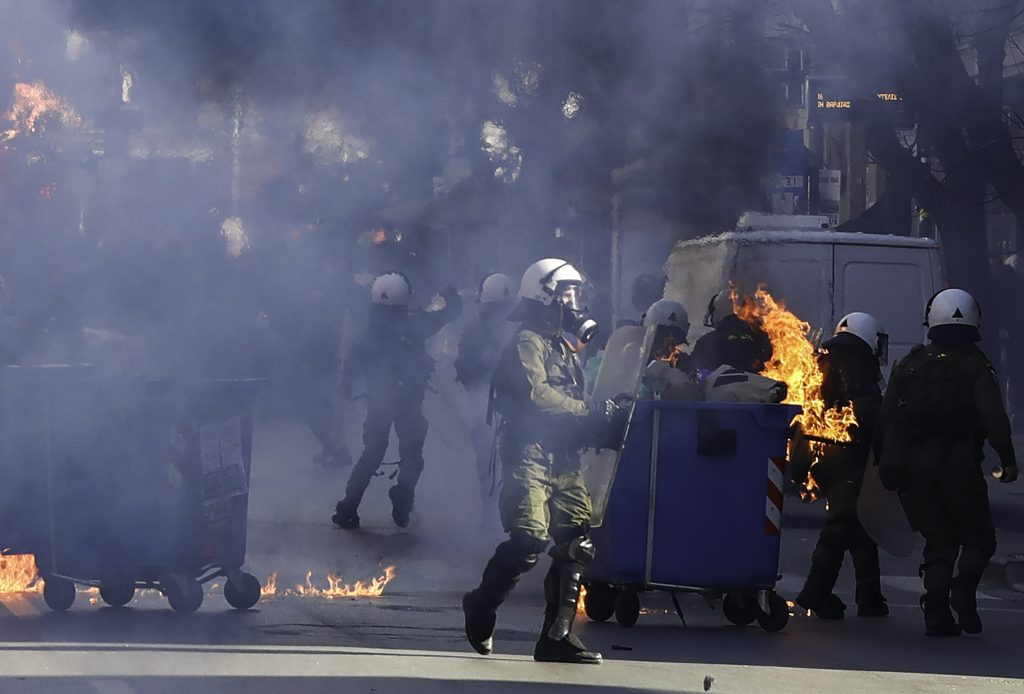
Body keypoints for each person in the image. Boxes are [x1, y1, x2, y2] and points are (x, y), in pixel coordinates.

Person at [462, 258, 623, 665]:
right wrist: (585, 410)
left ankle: (556, 638)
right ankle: (480, 605)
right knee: (529, 540)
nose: (575, 302)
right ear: (546, 296)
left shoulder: (563, 346)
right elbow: (536, 397)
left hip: (563, 456)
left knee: (576, 541)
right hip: (528, 455)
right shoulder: (527, 341)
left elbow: (573, 404)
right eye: (568, 294)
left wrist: (601, 420)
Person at [877, 288, 1019, 637]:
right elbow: (994, 417)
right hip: (959, 467)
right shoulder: (975, 364)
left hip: (915, 473)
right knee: (979, 537)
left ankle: (937, 612)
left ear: (931, 319)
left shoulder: (908, 364)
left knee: (939, 540)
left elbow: (885, 419)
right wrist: (1008, 460)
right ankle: (963, 590)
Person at [331, 272, 462, 529]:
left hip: (379, 404)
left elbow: (349, 373)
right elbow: (451, 312)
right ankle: (403, 496)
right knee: (412, 455)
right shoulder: (415, 325)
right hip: (409, 403)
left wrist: (347, 391)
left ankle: (349, 506)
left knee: (370, 456)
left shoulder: (366, 335)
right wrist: (450, 293)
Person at [792, 312, 889, 619]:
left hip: (819, 453)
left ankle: (870, 598)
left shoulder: (824, 359)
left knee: (860, 527)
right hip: (844, 455)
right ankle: (813, 594)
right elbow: (868, 411)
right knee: (841, 525)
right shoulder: (855, 364)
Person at [454, 272, 516, 505]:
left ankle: (497, 512)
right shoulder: (478, 332)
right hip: (490, 406)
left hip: (500, 406)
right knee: (494, 461)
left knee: (495, 462)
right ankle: (495, 513)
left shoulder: (517, 330)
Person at [691, 289, 772, 375]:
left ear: (717, 311)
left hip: (720, 387)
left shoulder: (705, 342)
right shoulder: (760, 338)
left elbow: (694, 370)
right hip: (754, 386)